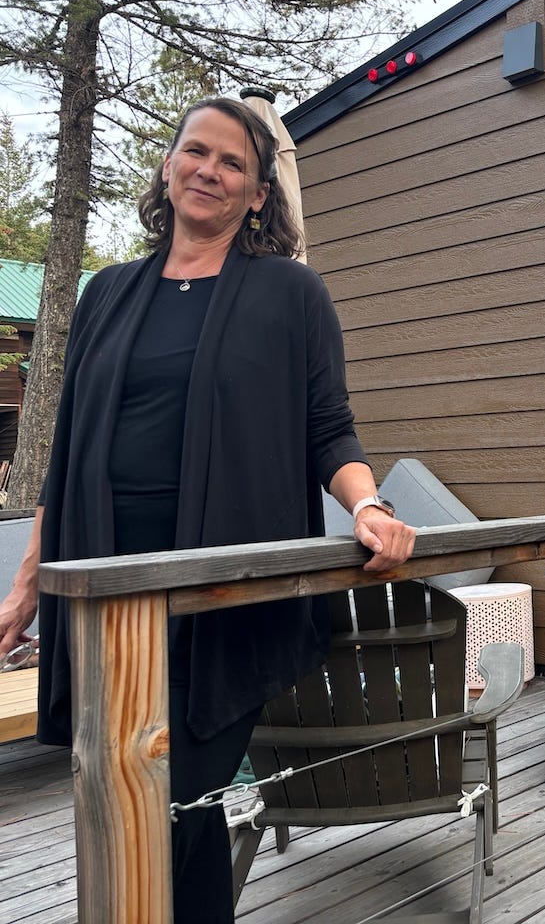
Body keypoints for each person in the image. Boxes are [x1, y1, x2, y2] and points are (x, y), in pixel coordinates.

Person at [0, 96, 417, 921]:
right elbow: (68, 452)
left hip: (221, 595)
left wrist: (367, 506)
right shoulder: (107, 295)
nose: (210, 171)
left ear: (259, 194)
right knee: (127, 803)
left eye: (234, 163)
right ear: (168, 165)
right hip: (108, 596)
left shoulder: (290, 294)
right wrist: (26, 585)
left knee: (171, 796)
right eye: (197, 151)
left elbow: (328, 427)